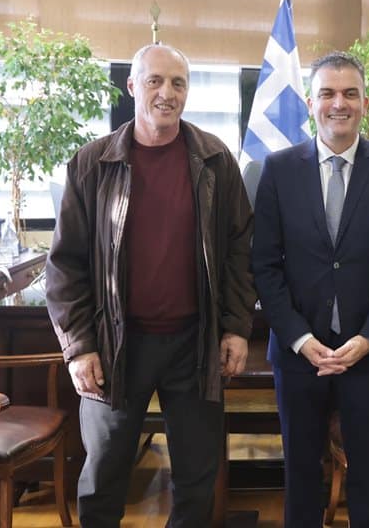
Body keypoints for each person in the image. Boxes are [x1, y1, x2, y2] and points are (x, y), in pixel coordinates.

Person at [46, 43, 256, 527]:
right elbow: (65, 265)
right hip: (115, 343)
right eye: (155, 81)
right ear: (132, 86)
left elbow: (240, 250)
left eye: (178, 83)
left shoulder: (215, 160)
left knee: (197, 477)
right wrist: (79, 347)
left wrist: (236, 326)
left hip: (195, 343)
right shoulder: (92, 164)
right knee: (103, 475)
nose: (167, 93)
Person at [251, 51, 369, 527]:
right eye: (327, 93)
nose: (338, 104)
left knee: (368, 476)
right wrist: (301, 339)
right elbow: (265, 267)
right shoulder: (278, 169)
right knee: (301, 475)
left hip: (368, 355)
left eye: (349, 94)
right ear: (310, 103)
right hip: (300, 355)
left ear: (365, 102)